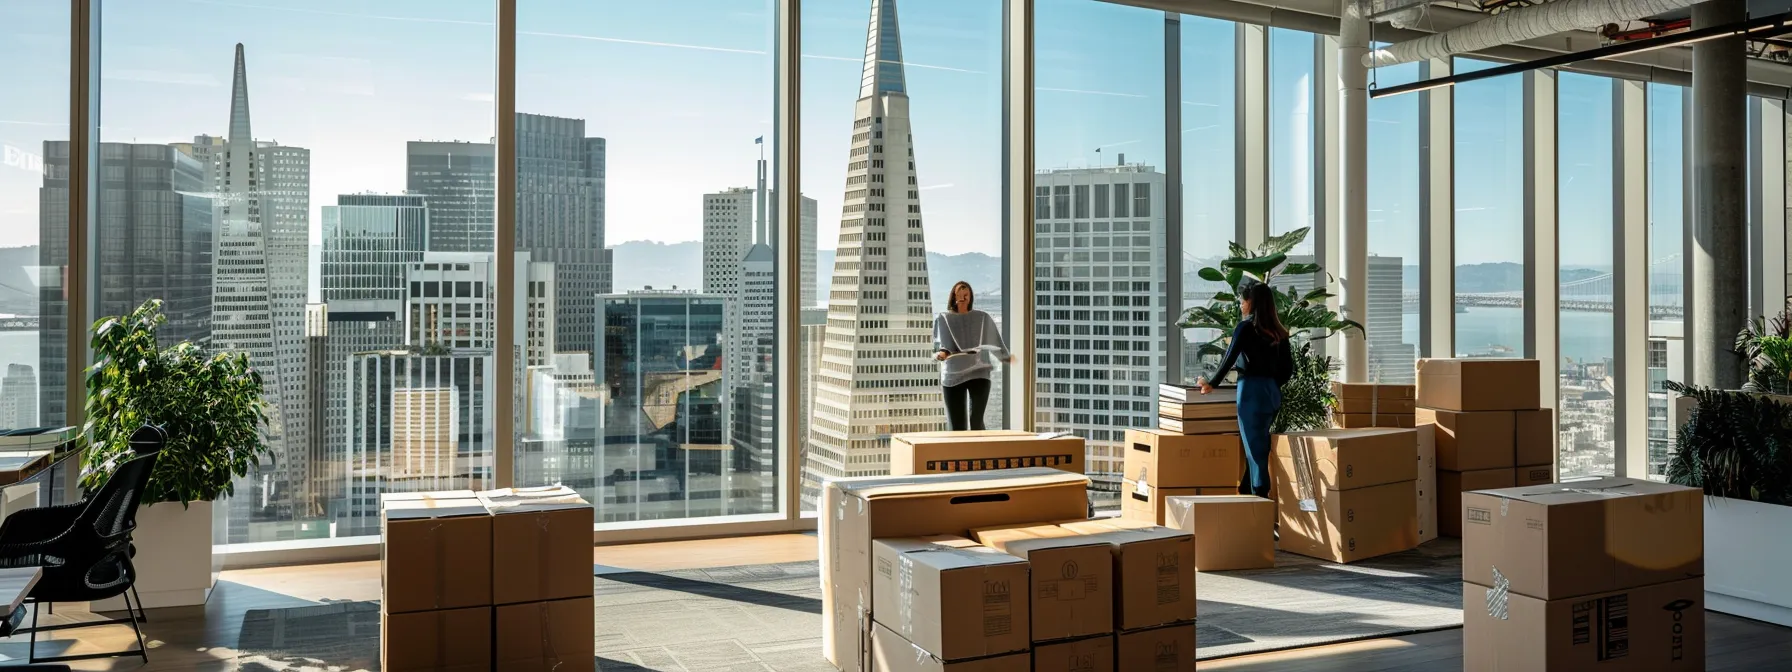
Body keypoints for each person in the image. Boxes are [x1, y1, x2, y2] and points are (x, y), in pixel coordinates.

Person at [1196, 281, 1293, 499]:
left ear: (1251, 302)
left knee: (1255, 448)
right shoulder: (1280, 332)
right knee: (1257, 443)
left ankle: (1261, 497)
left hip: (1250, 392)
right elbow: (1288, 370)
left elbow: (1229, 358)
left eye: (1243, 300)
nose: (1241, 304)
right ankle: (1246, 490)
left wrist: (1212, 383)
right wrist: (1272, 385)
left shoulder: (1246, 328)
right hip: (1271, 392)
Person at [933, 281, 1013, 431]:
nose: (962, 298)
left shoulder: (982, 318)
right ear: (953, 296)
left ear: (970, 297)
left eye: (966, 294)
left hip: (979, 371)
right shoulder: (944, 318)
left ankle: (981, 452)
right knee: (957, 425)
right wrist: (942, 354)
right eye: (959, 294)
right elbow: (942, 345)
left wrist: (1006, 357)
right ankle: (959, 454)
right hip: (953, 375)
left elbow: (994, 340)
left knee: (976, 420)